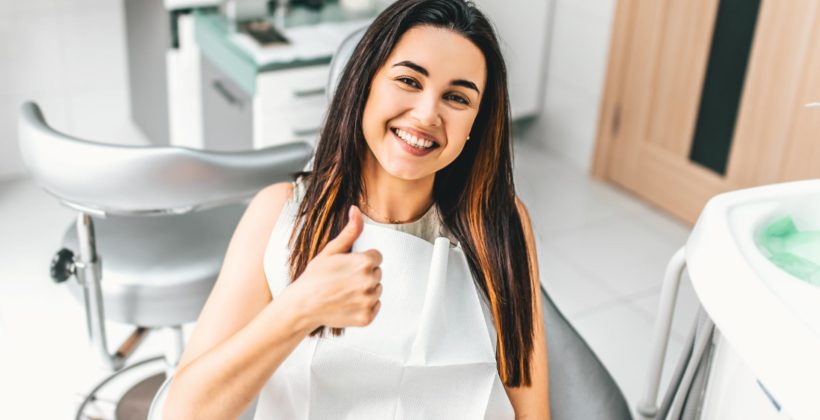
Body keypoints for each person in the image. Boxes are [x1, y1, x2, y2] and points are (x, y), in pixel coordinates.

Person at [164, 0, 549, 418]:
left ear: (476, 124)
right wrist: (298, 309)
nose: (426, 115)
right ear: (364, 83)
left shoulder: (497, 221)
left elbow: (528, 402)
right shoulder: (280, 214)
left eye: (456, 98)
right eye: (408, 80)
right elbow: (184, 412)